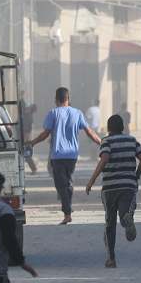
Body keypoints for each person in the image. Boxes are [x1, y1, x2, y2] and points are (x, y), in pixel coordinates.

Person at [28, 87, 101, 225]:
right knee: (67, 182)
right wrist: (101, 142)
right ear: (68, 99)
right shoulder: (77, 113)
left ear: (56, 100)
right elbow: (89, 131)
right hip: (72, 155)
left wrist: (32, 142)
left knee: (61, 184)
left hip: (57, 155)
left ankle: (67, 213)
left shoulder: (53, 113)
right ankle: (67, 207)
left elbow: (45, 134)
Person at [84, 113, 141, 268]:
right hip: (128, 185)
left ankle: (111, 258)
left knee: (109, 222)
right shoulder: (132, 140)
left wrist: (91, 180)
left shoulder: (106, 141)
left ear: (109, 128)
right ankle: (127, 217)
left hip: (110, 187)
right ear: (123, 127)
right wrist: (136, 175)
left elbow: (104, 159)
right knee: (126, 209)